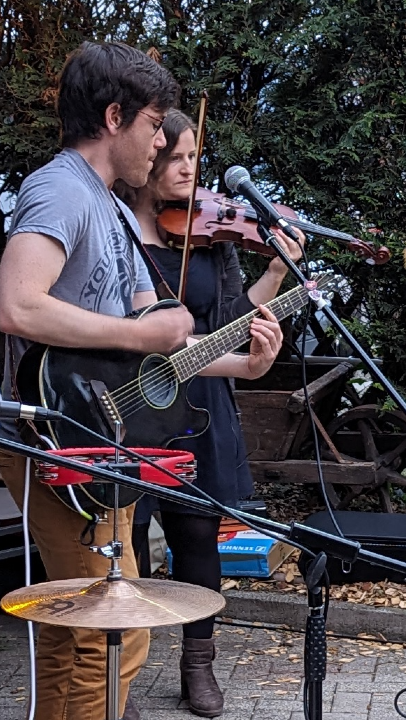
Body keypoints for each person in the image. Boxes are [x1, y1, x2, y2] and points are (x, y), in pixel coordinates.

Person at [0, 41, 206, 720]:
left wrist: (239, 358)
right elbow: (16, 304)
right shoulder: (59, 189)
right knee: (116, 635)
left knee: (72, 632)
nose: (161, 142)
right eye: (153, 125)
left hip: (96, 446)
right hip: (56, 441)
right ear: (115, 116)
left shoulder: (111, 207)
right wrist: (142, 333)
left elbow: (153, 334)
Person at [115, 112, 290, 717]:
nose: (191, 168)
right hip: (132, 399)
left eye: (196, 156)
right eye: (177, 157)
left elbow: (229, 322)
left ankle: (198, 666)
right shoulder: (117, 234)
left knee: (196, 537)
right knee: (126, 540)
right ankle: (121, 675)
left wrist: (274, 274)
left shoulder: (212, 238)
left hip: (199, 402)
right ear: (149, 160)